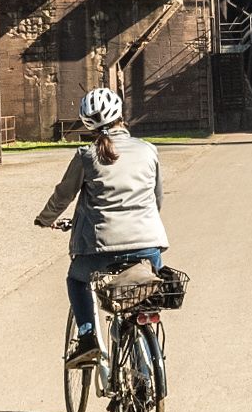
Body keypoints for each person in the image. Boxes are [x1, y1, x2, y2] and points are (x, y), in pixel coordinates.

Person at [34, 85, 167, 366]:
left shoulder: (86, 155)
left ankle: (87, 336)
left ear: (88, 124)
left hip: (100, 249)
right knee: (140, 298)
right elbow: (157, 201)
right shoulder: (149, 150)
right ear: (121, 115)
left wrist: (45, 219)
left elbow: (64, 195)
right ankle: (144, 362)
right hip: (149, 245)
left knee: (77, 279)